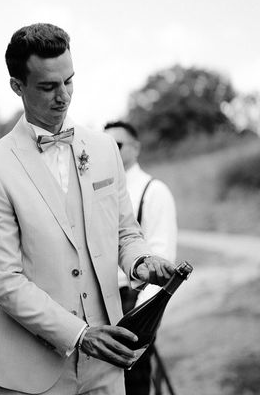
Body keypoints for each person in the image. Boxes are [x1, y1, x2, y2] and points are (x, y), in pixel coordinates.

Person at [0, 22, 176, 395]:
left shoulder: (104, 148)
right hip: (30, 373)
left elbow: (125, 232)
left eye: (69, 81)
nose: (63, 96)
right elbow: (2, 278)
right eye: (48, 86)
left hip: (107, 366)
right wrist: (78, 334)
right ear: (17, 86)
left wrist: (142, 261)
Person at [104, 120, 178, 395]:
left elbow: (161, 254)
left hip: (133, 301)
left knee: (133, 385)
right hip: (100, 300)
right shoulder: (101, 190)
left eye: (118, 144)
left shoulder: (153, 191)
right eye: (106, 144)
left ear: (135, 148)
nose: (110, 150)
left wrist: (142, 321)